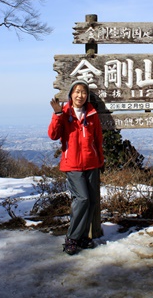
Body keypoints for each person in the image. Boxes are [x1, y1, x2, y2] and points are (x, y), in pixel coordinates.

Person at [48, 80, 104, 255]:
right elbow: (53, 135)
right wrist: (57, 114)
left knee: (92, 201)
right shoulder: (64, 113)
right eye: (77, 92)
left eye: (83, 92)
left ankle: (81, 237)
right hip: (73, 165)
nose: (80, 95)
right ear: (71, 94)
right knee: (82, 199)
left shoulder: (92, 114)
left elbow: (98, 140)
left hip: (91, 163)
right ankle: (72, 238)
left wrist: (100, 161)